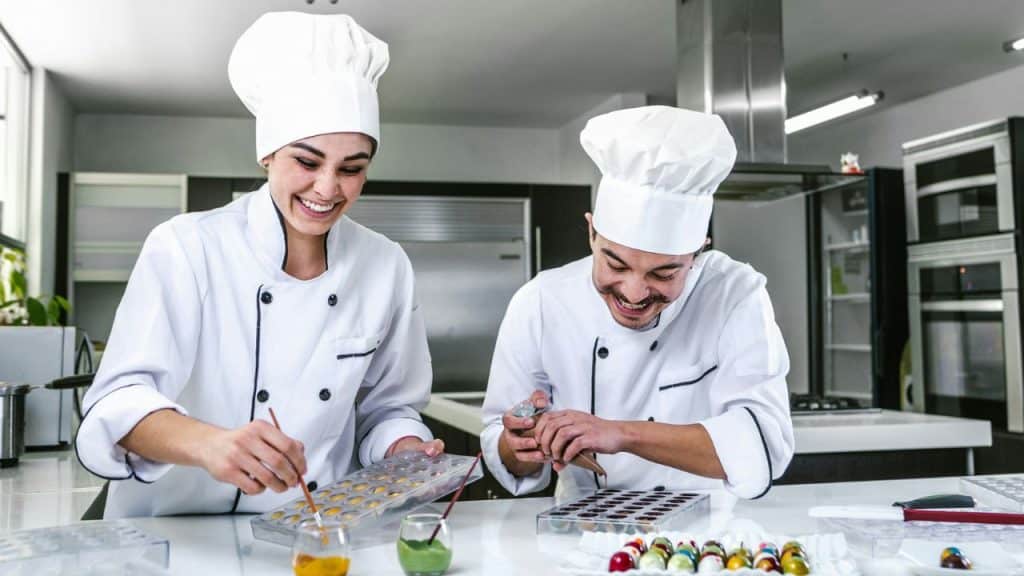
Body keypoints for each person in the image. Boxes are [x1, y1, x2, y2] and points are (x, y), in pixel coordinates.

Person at [76, 12, 442, 518]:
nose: (328, 189)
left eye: (352, 169)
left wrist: (405, 450)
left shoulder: (385, 266)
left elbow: (387, 409)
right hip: (171, 533)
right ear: (267, 154)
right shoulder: (187, 246)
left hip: (310, 534)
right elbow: (119, 402)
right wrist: (209, 444)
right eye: (308, 162)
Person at [481, 106, 794, 500]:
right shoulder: (542, 302)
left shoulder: (735, 293)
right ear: (592, 232)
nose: (634, 293)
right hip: (584, 536)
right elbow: (506, 454)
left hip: (707, 541)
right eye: (615, 264)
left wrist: (619, 433)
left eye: (663, 274)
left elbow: (763, 444)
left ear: (697, 254)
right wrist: (524, 443)